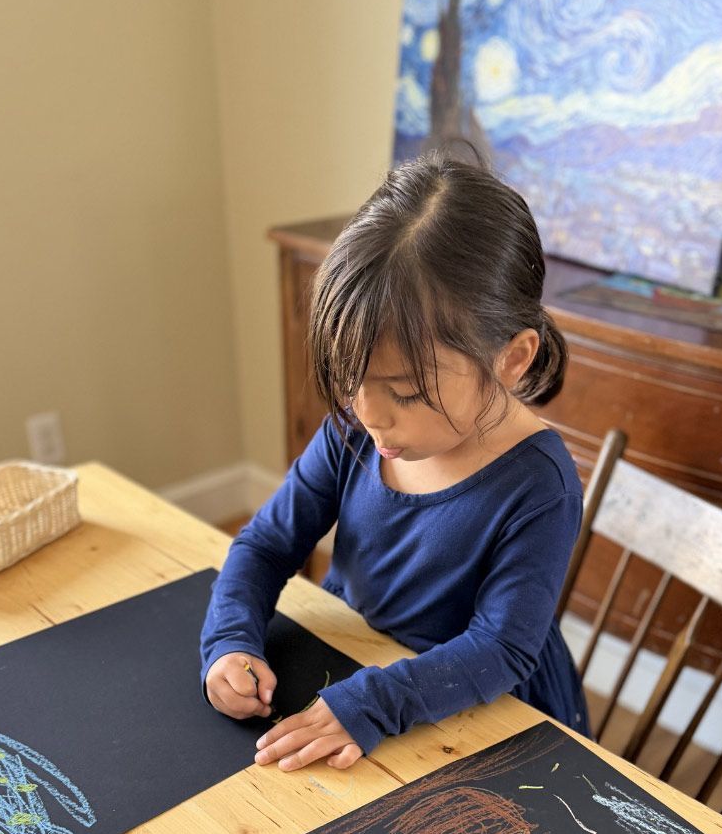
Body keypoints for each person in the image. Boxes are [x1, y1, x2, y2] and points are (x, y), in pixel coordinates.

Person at [200, 154, 588, 773]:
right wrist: (229, 640)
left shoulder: (539, 485)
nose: (370, 413)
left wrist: (374, 702)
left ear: (511, 359)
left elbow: (501, 648)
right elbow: (267, 544)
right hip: (355, 664)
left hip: (474, 709)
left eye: (406, 392)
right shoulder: (357, 426)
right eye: (353, 378)